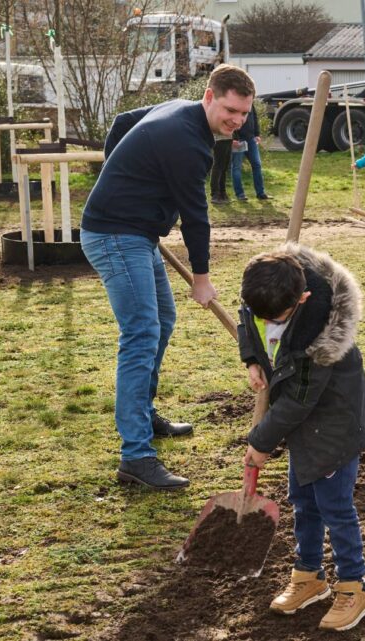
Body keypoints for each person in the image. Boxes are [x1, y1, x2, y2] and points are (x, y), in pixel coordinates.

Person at [80, 64, 255, 489]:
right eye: (231, 110)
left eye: (245, 114)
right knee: (141, 333)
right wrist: (202, 277)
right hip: (116, 235)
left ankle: (144, 412)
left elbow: (123, 124)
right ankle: (136, 457)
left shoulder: (180, 109)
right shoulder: (188, 143)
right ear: (210, 97)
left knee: (163, 318)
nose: (237, 120)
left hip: (134, 231)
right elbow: (196, 217)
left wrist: (124, 178)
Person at [237, 245, 365, 631]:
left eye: (275, 319)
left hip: (335, 425)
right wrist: (252, 358)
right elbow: (247, 317)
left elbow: (299, 399)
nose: (267, 322)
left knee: (335, 507)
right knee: (302, 500)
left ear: (304, 298)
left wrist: (261, 442)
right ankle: (309, 576)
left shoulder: (320, 336)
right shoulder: (267, 288)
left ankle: (354, 587)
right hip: (302, 426)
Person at [230, 104, 271, 201]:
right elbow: (230, 119)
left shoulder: (249, 103)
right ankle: (240, 194)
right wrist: (232, 138)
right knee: (236, 167)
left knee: (257, 164)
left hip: (251, 139)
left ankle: (260, 193)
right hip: (238, 140)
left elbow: (255, 118)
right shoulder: (235, 101)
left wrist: (257, 134)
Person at [210, 137, 232, 204]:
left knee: (224, 167)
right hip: (219, 139)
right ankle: (215, 194)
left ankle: (222, 193)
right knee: (218, 166)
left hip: (229, 139)